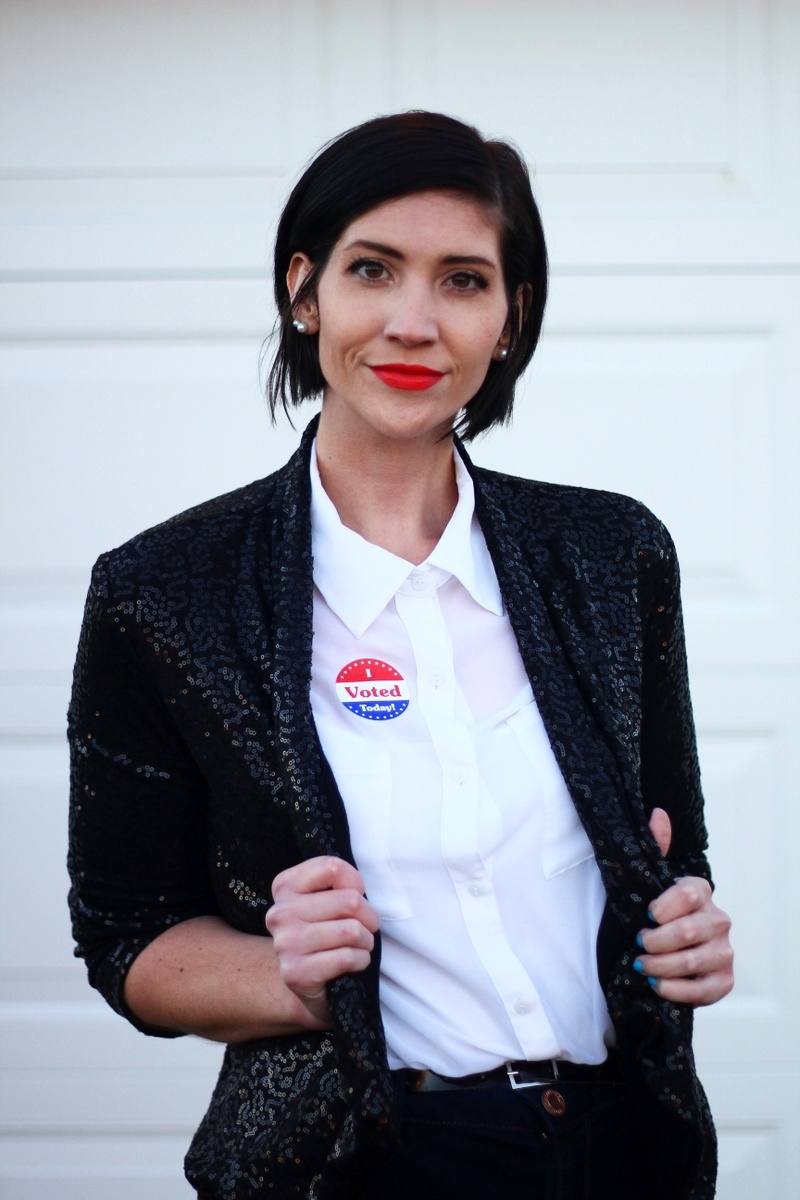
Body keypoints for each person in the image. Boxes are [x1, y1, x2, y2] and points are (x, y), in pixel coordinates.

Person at [68, 111, 733, 1200]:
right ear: (302, 289)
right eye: (372, 269)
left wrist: (680, 937)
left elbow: (672, 853)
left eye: (463, 281)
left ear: (510, 319)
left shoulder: (612, 555)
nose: (413, 323)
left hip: (623, 1146)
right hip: (363, 1164)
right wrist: (284, 974)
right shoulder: (164, 593)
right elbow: (125, 939)